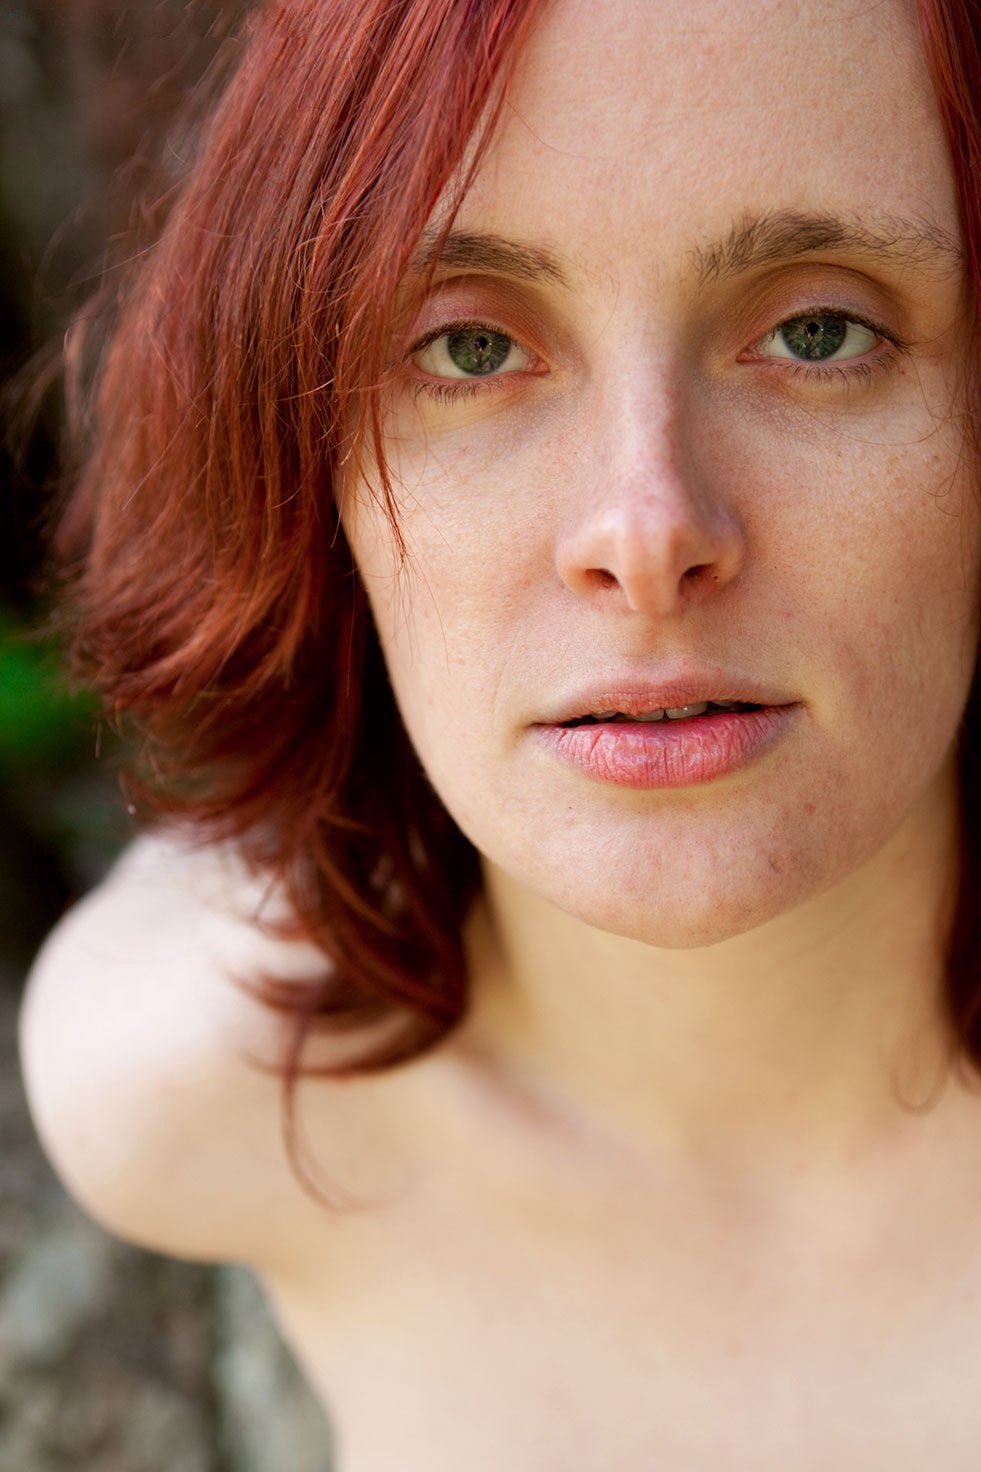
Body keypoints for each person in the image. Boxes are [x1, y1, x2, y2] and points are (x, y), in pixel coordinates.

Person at [18, 0, 981, 1463]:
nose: (645, 533)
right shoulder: (185, 1087)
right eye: (469, 347)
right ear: (300, 456)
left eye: (818, 330)